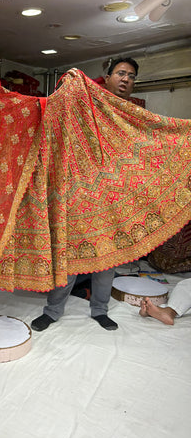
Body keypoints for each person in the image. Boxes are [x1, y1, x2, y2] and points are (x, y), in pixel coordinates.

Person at [31, 57, 139, 333]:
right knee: (71, 255)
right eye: (121, 73)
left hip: (113, 193)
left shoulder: (132, 112)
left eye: (131, 76)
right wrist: (73, 77)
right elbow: (66, 101)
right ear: (109, 75)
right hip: (80, 190)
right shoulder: (90, 101)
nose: (126, 79)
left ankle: (100, 310)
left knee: (107, 259)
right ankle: (52, 311)